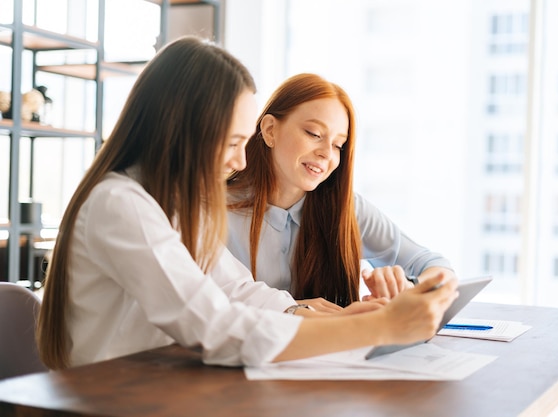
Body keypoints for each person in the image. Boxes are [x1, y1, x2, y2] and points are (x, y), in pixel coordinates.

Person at [36, 36, 458, 371]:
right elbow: (212, 326)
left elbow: (237, 290)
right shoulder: (119, 203)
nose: (241, 160)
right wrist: (377, 328)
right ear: (186, 129)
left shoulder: (176, 205)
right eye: (236, 142)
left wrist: (343, 319)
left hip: (156, 385)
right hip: (109, 396)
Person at [227, 73, 457, 312]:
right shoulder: (212, 210)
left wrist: (410, 287)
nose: (327, 153)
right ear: (270, 130)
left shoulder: (346, 209)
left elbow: (438, 268)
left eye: (338, 145)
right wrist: (292, 309)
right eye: (314, 134)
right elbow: (203, 310)